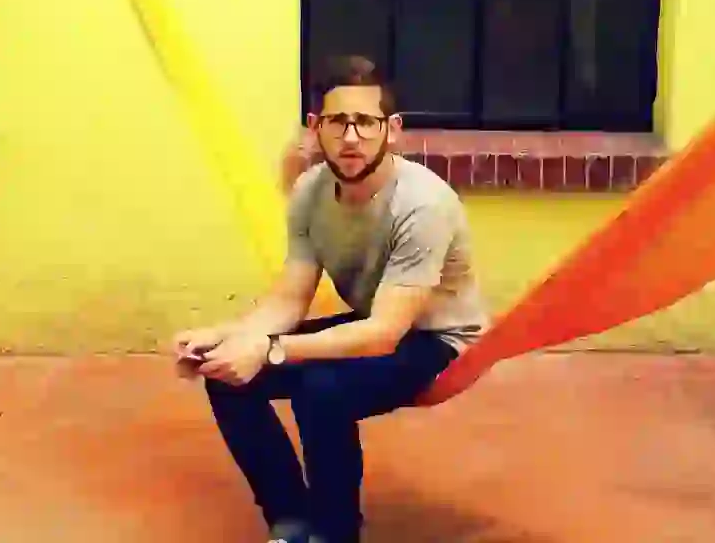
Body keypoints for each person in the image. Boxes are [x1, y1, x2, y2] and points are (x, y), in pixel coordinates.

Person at [171, 55, 489, 543]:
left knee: (321, 389)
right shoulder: (310, 191)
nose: (352, 137)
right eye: (339, 121)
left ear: (393, 130)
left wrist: (271, 349)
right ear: (317, 127)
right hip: (372, 323)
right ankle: (293, 520)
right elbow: (291, 298)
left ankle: (337, 533)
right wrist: (229, 337)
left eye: (366, 122)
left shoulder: (423, 205)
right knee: (230, 375)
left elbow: (385, 334)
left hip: (436, 339)